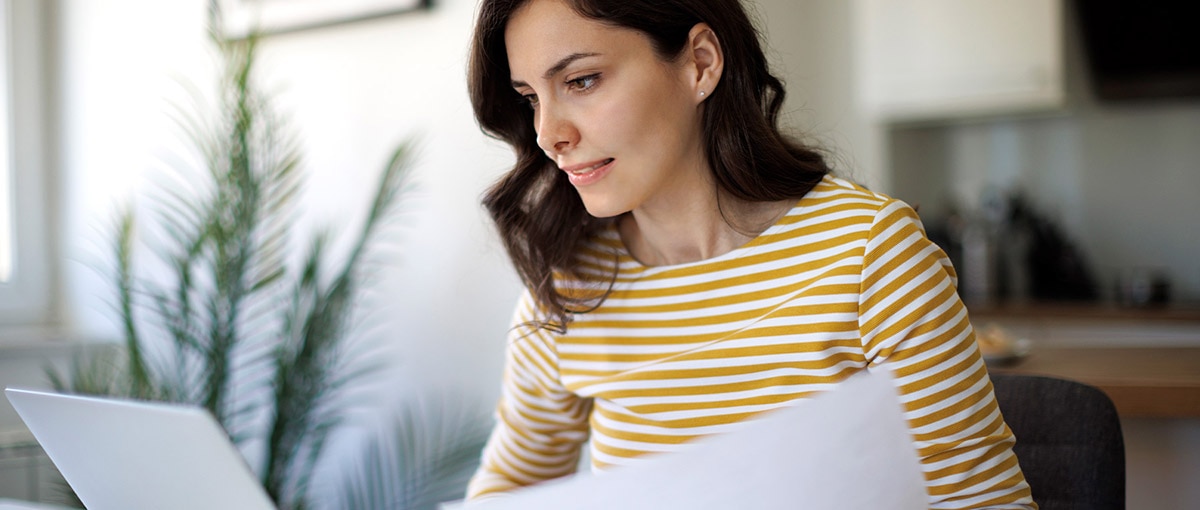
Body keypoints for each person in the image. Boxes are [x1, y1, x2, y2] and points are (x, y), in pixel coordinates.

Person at [464, 0, 1037, 507]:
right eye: (531, 98)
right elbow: (507, 491)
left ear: (700, 63)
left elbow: (983, 500)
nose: (548, 133)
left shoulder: (870, 254)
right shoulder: (570, 287)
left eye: (583, 80)